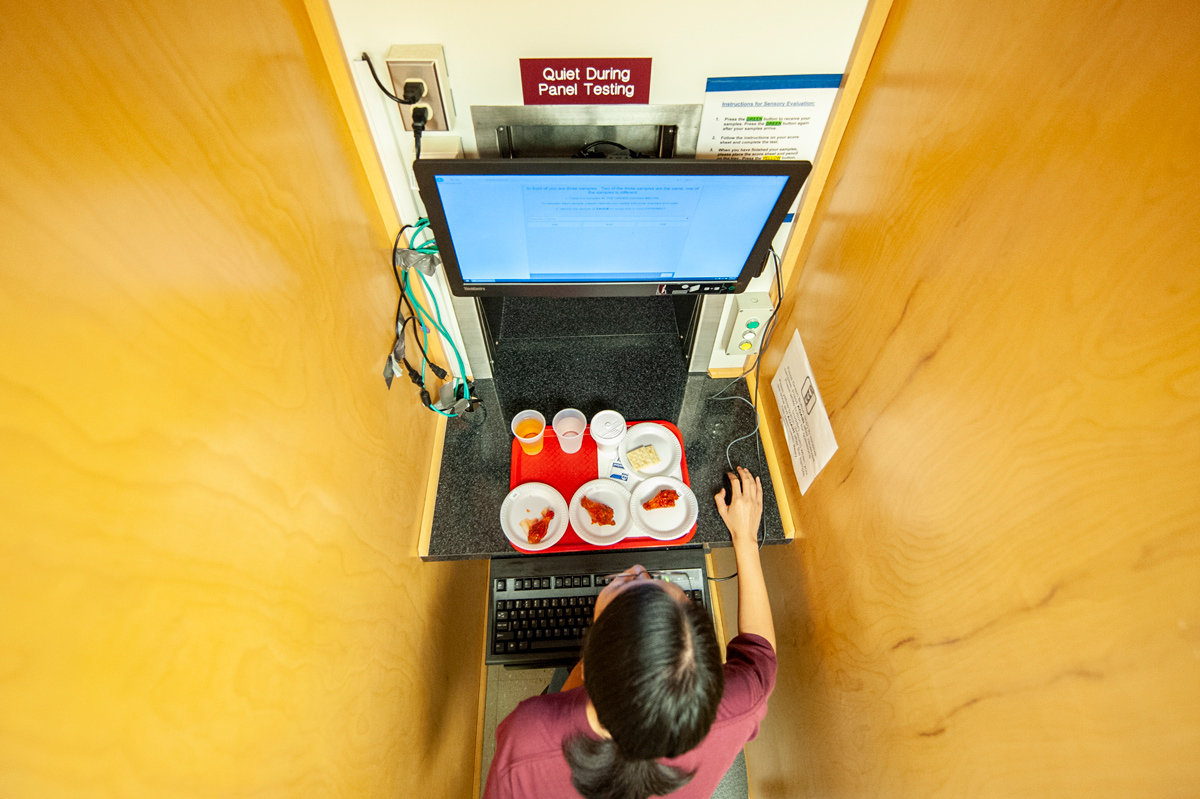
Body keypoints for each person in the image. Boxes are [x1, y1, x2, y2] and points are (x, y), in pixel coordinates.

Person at [483, 466, 777, 799]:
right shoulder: (739, 706)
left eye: (628, 584)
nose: (639, 569)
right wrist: (746, 539)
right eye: (661, 582)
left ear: (586, 665)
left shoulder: (530, 735)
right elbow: (760, 655)